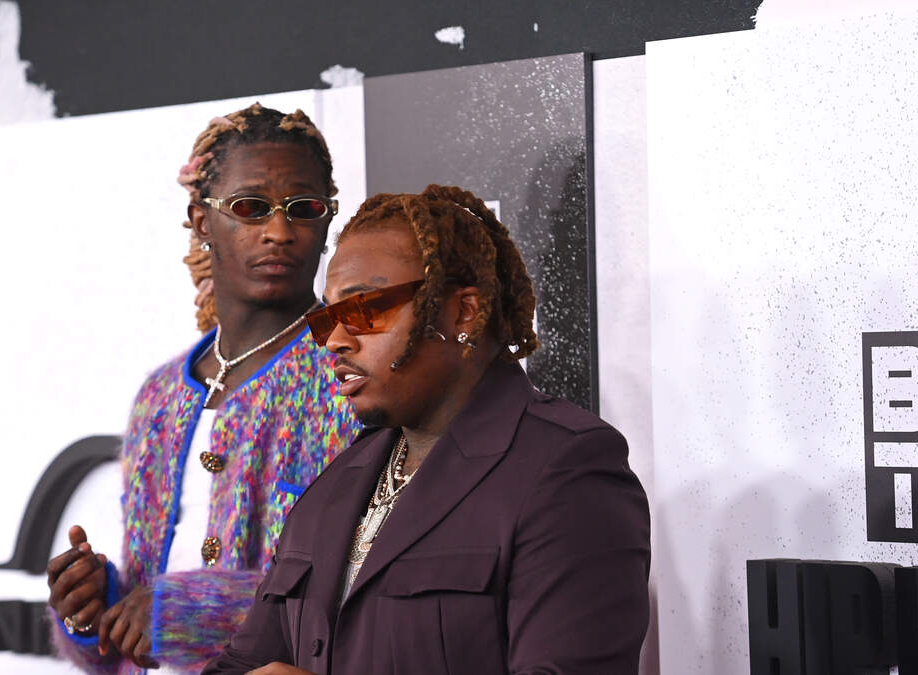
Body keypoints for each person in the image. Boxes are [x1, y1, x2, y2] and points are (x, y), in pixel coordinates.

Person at [203, 185, 651, 675]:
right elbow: (239, 664)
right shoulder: (337, 481)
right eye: (327, 317)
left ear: (464, 312)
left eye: (362, 309)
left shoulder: (566, 470)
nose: (335, 340)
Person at [45, 104, 362, 674]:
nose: (279, 231)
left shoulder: (352, 377)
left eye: (305, 208)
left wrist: (184, 613)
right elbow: (131, 634)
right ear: (201, 220)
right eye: (250, 207)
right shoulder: (160, 396)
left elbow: (374, 588)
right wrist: (93, 610)